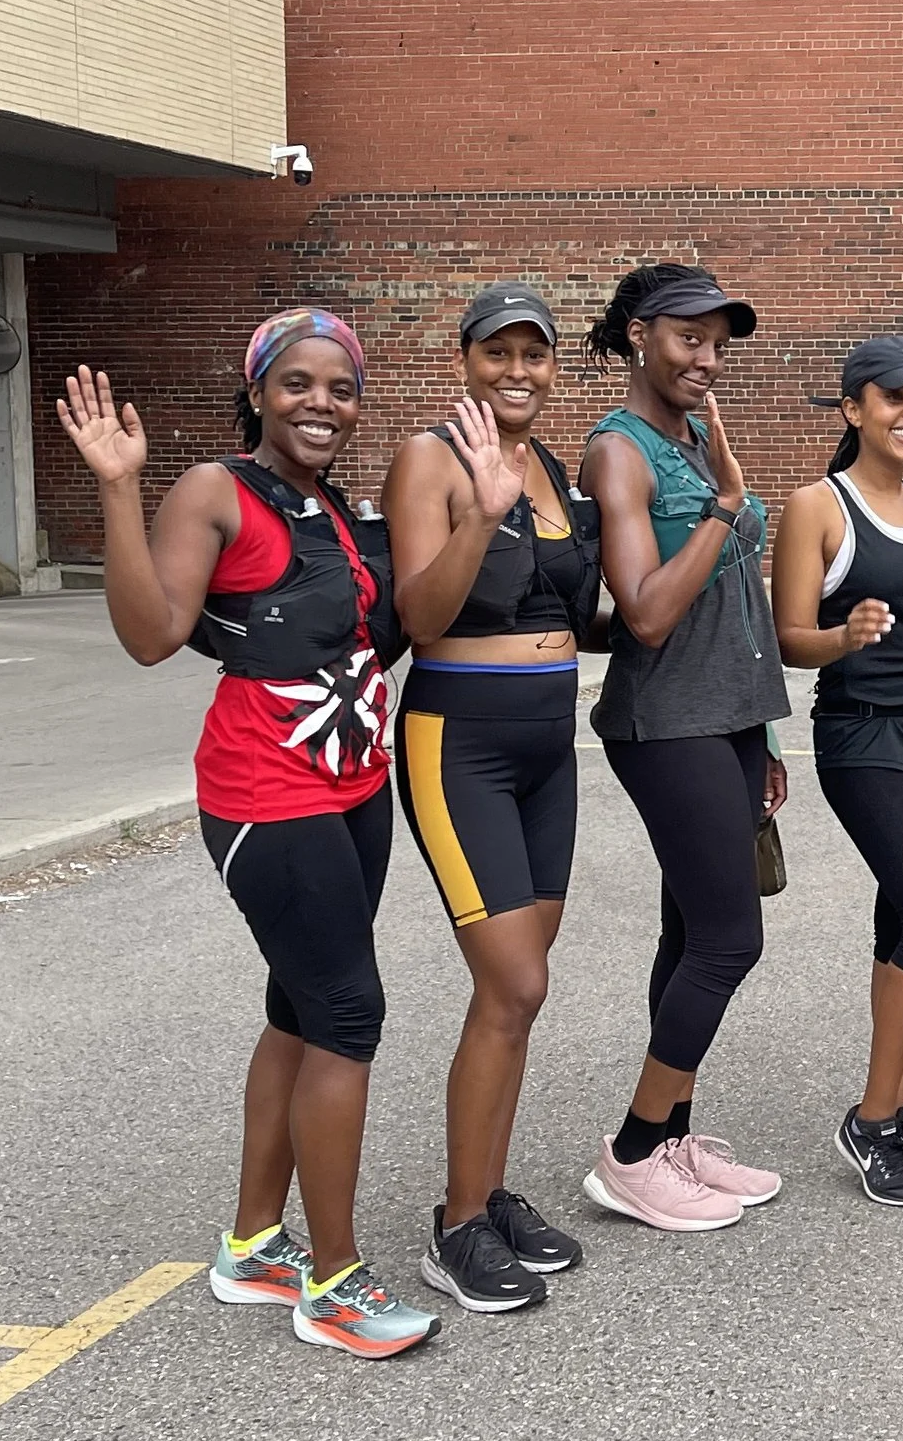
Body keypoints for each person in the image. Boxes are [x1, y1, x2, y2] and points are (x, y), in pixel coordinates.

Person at [54, 316, 437, 1359]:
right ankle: (337, 1284)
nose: (321, 404)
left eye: (341, 389)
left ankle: (254, 1247)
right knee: (349, 1013)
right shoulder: (215, 491)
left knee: (300, 1008)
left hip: (356, 787)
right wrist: (118, 487)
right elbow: (149, 634)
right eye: (297, 385)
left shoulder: (338, 511)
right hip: (267, 797)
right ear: (259, 391)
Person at [384, 285, 600, 1311]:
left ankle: (487, 1188)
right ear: (464, 360)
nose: (517, 370)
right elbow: (421, 615)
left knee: (514, 993)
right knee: (514, 987)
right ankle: (457, 1227)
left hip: (547, 752)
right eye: (497, 353)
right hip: (456, 743)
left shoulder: (552, 466)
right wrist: (483, 510)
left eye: (535, 354)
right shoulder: (432, 459)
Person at [577, 262, 792, 1234]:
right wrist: (721, 509)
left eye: (717, 341)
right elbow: (649, 614)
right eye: (686, 337)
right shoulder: (618, 452)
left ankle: (672, 1139)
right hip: (665, 722)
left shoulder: (699, 436)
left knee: (686, 934)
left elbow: (738, 600)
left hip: (729, 717)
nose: (706, 357)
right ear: (636, 336)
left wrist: (763, 729)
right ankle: (629, 1153)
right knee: (727, 940)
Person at [772, 335, 903, 1207]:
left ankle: (893, 1111)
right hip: (868, 739)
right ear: (854, 407)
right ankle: (870, 1118)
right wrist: (844, 636)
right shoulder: (816, 506)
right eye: (896, 397)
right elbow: (790, 637)